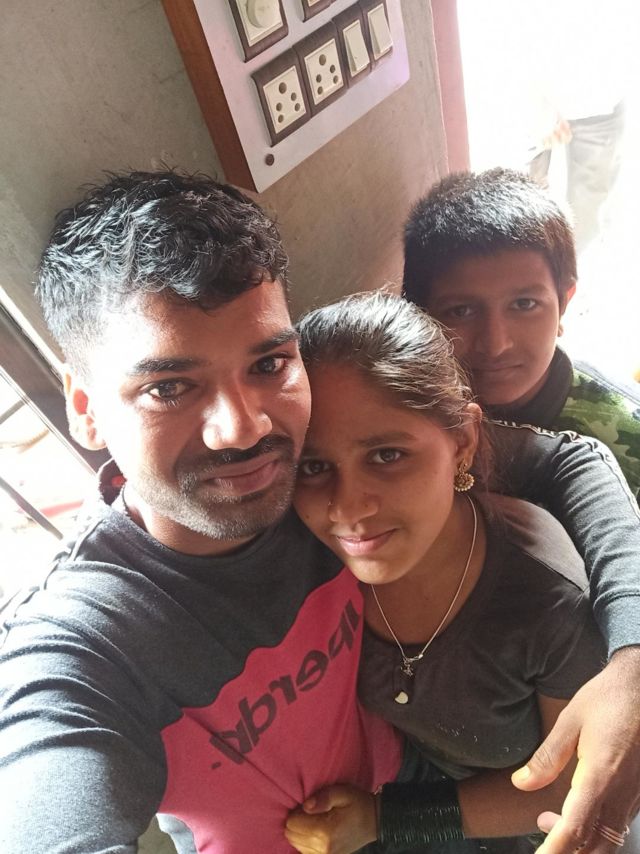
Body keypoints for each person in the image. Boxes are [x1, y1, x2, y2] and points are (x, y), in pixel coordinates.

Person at [1, 170, 640, 854]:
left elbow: (566, 460)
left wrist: (632, 655)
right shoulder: (80, 645)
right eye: (169, 387)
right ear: (85, 407)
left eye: (268, 364)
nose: (242, 429)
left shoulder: (302, 471)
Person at [285, 290, 607, 853]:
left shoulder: (546, 600)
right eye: (313, 466)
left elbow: (571, 784)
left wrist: (384, 820)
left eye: (387, 455)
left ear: (462, 442)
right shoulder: (315, 566)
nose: (349, 507)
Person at [402, 167, 640, 503]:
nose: (496, 344)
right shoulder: (400, 416)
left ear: (564, 304)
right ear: (419, 314)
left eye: (524, 304)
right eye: (461, 311)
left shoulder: (630, 441)